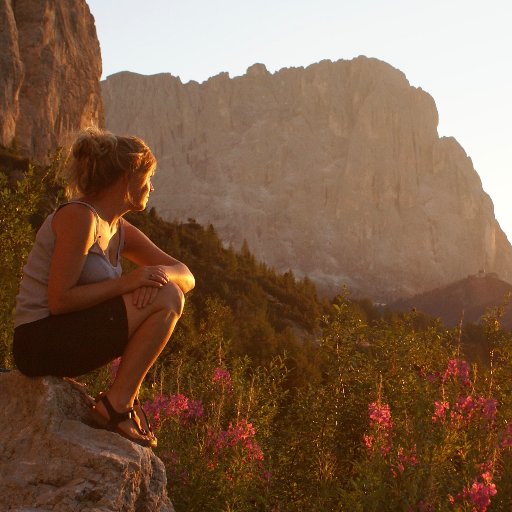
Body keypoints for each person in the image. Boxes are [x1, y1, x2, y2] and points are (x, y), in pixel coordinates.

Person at [12, 128, 195, 448]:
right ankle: (116, 407)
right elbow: (59, 300)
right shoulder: (80, 217)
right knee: (167, 296)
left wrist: (151, 276)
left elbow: (186, 274)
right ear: (129, 177)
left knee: (169, 292)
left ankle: (118, 403)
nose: (152, 187)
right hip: (38, 340)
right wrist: (129, 282)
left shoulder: (117, 228)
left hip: (66, 334)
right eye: (148, 177)